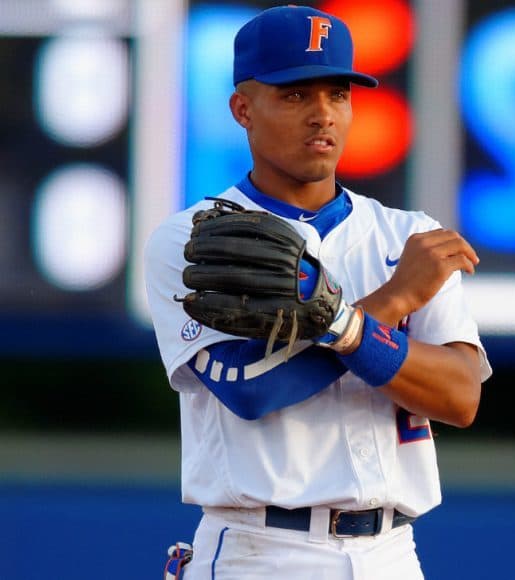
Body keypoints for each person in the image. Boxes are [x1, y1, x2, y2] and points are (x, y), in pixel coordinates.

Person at [144, 5, 491, 579]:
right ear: (242, 109)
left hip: (392, 554)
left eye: (338, 94)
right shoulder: (195, 238)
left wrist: (347, 324)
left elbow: (460, 398)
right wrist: (387, 307)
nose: (322, 115)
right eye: (295, 95)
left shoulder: (408, 235)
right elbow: (248, 391)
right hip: (262, 550)